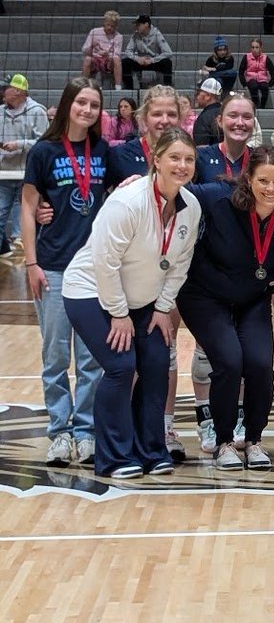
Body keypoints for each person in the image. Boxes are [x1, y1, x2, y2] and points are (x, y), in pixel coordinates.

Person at [60, 126, 198, 479]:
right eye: (174, 158)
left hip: (143, 301)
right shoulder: (127, 201)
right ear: (157, 160)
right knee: (121, 367)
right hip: (90, 290)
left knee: (154, 363)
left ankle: (150, 451)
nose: (181, 165)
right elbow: (105, 263)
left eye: (188, 159)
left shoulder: (191, 207)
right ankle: (114, 457)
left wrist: (163, 307)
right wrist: (119, 315)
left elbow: (179, 263)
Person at [178, 148, 274, 470]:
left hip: (252, 298)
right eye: (263, 180)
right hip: (204, 296)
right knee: (228, 360)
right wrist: (134, 185)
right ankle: (224, 441)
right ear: (248, 179)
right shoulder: (216, 197)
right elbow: (172, 190)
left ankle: (253, 440)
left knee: (260, 364)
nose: (270, 188)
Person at [20, 78, 111, 467]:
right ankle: (59, 432)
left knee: (91, 358)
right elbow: (28, 208)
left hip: (94, 268)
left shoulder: (105, 150)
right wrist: (31, 263)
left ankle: (86, 431)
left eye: (94, 105)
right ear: (66, 105)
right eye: (81, 103)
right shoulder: (43, 151)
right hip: (54, 266)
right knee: (55, 356)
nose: (87, 110)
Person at [0, 75, 49, 255]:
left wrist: (19, 144)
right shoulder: (0, 111)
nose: (3, 91)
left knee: (24, 222)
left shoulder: (37, 111)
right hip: (4, 172)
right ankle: (5, 250)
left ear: (18, 91)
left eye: (7, 88)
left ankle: (24, 258)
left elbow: (44, 143)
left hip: (28, 174)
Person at [194, 92, 258, 184]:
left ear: (254, 123)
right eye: (233, 116)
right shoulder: (200, 157)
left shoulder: (259, 160)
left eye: (247, 117)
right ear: (220, 120)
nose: (240, 123)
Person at [122, 14, 174, 89]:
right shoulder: (136, 35)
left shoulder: (157, 34)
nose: (136, 27)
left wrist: (152, 60)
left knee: (167, 62)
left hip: (154, 62)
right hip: (141, 61)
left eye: (138, 24)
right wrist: (138, 59)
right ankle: (129, 88)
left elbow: (168, 52)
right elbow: (128, 51)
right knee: (125, 62)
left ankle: (168, 88)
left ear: (146, 24)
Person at [81, 11, 124, 86]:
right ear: (104, 23)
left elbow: (117, 54)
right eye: (108, 25)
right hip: (95, 59)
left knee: (117, 59)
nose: (109, 28)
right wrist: (91, 46)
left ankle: (118, 87)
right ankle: (84, 85)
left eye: (112, 26)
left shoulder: (119, 37)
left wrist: (108, 55)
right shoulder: (94, 32)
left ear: (116, 26)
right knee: (87, 59)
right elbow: (84, 50)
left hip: (108, 62)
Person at [238, 37, 274, 110]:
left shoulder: (265, 58)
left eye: (257, 47)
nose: (254, 49)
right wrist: (244, 83)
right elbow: (241, 71)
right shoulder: (246, 57)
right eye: (253, 47)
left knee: (265, 87)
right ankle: (255, 106)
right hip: (251, 78)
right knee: (253, 86)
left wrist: (271, 83)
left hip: (262, 79)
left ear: (261, 48)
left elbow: (273, 71)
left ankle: (262, 106)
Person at [191, 78, 224, 148]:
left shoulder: (204, 118)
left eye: (198, 93)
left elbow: (201, 148)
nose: (196, 96)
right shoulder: (226, 112)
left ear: (208, 96)